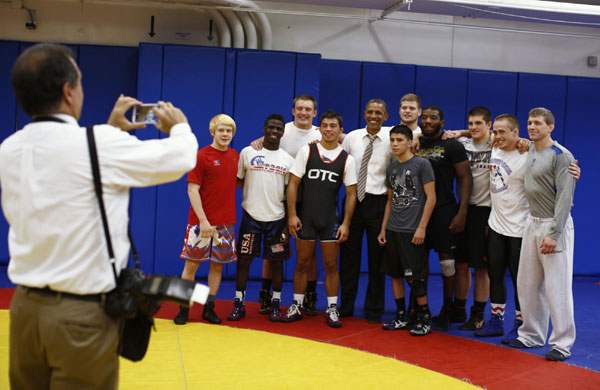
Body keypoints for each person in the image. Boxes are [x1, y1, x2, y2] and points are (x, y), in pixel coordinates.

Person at [1, 43, 198, 389]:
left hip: (25, 311)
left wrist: (109, 131)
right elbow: (180, 158)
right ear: (68, 91)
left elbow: (68, 166)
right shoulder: (99, 144)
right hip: (80, 316)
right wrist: (178, 126)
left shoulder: (10, 149)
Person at [508, 108, 577, 362]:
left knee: (557, 286)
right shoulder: (531, 149)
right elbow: (496, 135)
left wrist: (554, 233)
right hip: (532, 222)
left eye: (537, 123)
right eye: (529, 122)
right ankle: (531, 334)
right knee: (527, 283)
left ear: (551, 127)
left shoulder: (562, 155)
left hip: (552, 225)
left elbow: (565, 197)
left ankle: (562, 343)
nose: (532, 126)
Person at [284, 110, 357, 327]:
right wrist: (292, 214)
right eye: (324, 125)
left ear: (340, 130)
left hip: (329, 220)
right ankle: (297, 304)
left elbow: (351, 193)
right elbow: (293, 183)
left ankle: (332, 308)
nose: (328, 129)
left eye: (333, 125)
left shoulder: (347, 159)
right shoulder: (307, 151)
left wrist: (345, 223)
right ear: (320, 128)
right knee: (302, 263)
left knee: (331, 265)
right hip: (306, 217)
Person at [251, 95, 321, 316]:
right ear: (293, 111)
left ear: (314, 113)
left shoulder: (321, 133)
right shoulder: (282, 130)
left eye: (308, 109)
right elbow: (263, 145)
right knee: (273, 249)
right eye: (299, 108)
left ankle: (309, 297)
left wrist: (342, 135)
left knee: (308, 253)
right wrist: (257, 142)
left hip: (309, 200)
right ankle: (266, 295)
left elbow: (340, 139)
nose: (303, 113)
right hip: (278, 198)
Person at [227, 114, 294, 322]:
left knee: (276, 262)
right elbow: (239, 180)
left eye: (278, 129)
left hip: (277, 218)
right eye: (271, 128)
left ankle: (275, 303)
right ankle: (239, 303)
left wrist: (288, 219)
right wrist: (253, 192)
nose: (274, 132)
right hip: (251, 217)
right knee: (244, 260)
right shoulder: (247, 153)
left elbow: (288, 191)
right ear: (264, 128)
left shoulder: (287, 160)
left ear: (283, 132)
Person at [173, 114, 239, 325]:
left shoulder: (236, 156)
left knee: (217, 267)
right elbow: (192, 189)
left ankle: (208, 308)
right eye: (221, 130)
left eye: (229, 131)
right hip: (200, 223)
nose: (225, 134)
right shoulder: (200, 156)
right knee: (191, 265)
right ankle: (183, 309)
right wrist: (203, 220)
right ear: (212, 132)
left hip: (225, 223)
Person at [418, 105, 473, 331]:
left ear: (442, 121)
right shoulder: (415, 143)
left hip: (445, 211)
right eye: (425, 117)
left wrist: (462, 212)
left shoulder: (452, 145)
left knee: (447, 263)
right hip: (419, 214)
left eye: (434, 117)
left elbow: (465, 178)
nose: (428, 120)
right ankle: (419, 308)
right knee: (418, 264)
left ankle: (448, 309)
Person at [377, 125, 436, 336]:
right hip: (393, 229)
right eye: (392, 140)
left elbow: (431, 197)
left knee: (415, 277)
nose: (395, 144)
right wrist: (383, 228)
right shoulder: (392, 168)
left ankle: (424, 317)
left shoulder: (422, 164)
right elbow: (390, 201)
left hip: (412, 230)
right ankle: (401, 315)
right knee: (394, 275)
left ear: (410, 142)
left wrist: (422, 228)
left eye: (400, 140)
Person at [451, 106, 493, 331]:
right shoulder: (462, 145)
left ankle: (478, 314)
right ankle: (459, 309)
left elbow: (517, 137)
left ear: (490, 124)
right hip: (464, 208)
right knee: (461, 263)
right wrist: (460, 133)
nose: (474, 127)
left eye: (479, 123)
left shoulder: (497, 142)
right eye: (470, 124)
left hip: (486, 211)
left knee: (482, 267)